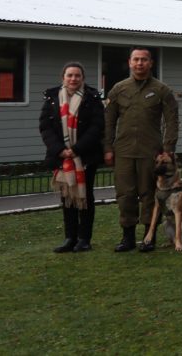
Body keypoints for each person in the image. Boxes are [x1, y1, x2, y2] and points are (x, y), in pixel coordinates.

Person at [104, 47, 179, 252]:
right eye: (136, 59)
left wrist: (168, 149)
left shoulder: (162, 90)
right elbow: (109, 121)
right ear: (129, 62)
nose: (140, 63)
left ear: (151, 63)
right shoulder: (118, 89)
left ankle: (149, 236)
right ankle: (127, 238)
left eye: (144, 60)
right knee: (125, 195)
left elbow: (172, 120)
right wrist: (108, 147)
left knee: (149, 194)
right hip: (124, 151)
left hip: (151, 152)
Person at [39, 62, 105, 253]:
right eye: (69, 75)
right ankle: (70, 238)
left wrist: (76, 149)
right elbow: (46, 127)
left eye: (77, 75)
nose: (73, 79)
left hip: (84, 156)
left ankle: (84, 239)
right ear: (63, 78)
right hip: (61, 157)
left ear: (82, 78)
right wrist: (60, 150)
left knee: (85, 197)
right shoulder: (52, 98)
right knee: (67, 196)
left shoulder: (92, 98)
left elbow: (96, 127)